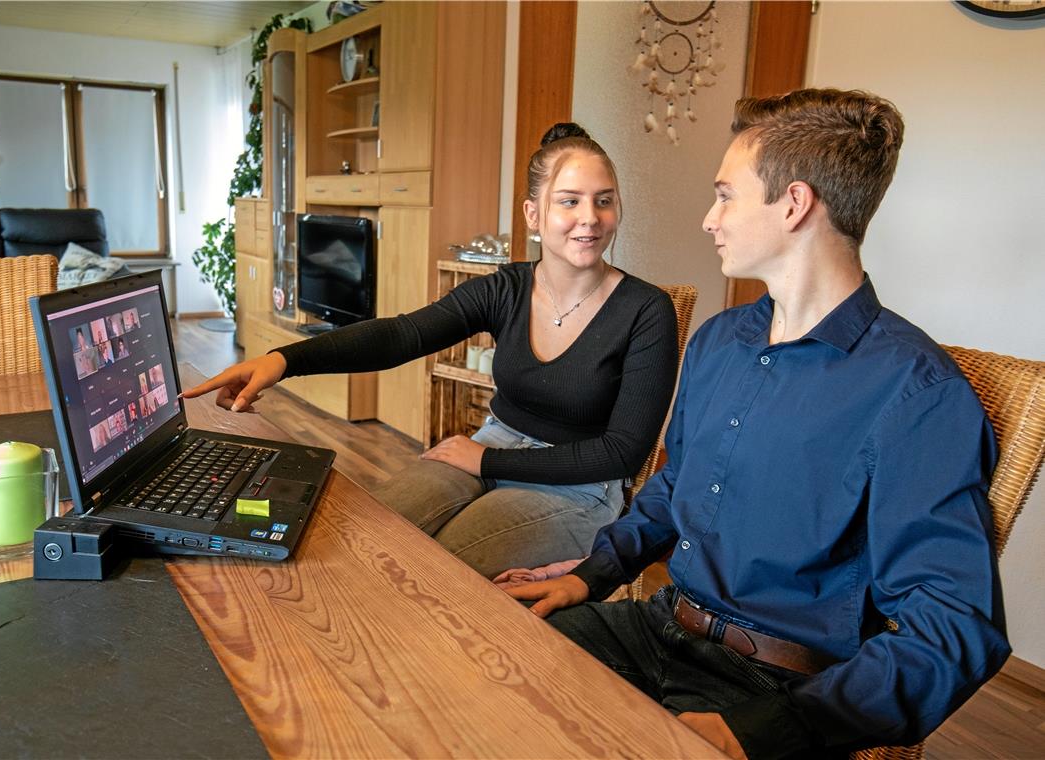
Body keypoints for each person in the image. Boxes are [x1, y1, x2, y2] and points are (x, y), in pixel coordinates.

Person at [507, 89, 1010, 759]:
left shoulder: (918, 394)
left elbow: (953, 625)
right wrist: (590, 572)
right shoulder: (719, 341)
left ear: (795, 204)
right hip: (654, 627)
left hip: (771, 688)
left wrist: (769, 731)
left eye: (725, 195)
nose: (709, 218)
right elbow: (673, 485)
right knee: (487, 667)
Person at [185, 123, 679, 578]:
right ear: (534, 214)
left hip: (581, 487)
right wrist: (284, 361)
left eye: (604, 201)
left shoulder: (646, 310)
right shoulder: (506, 288)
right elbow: (402, 335)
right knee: (361, 540)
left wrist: (485, 462)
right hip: (493, 444)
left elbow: (621, 454)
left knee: (429, 572)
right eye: (569, 201)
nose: (589, 219)